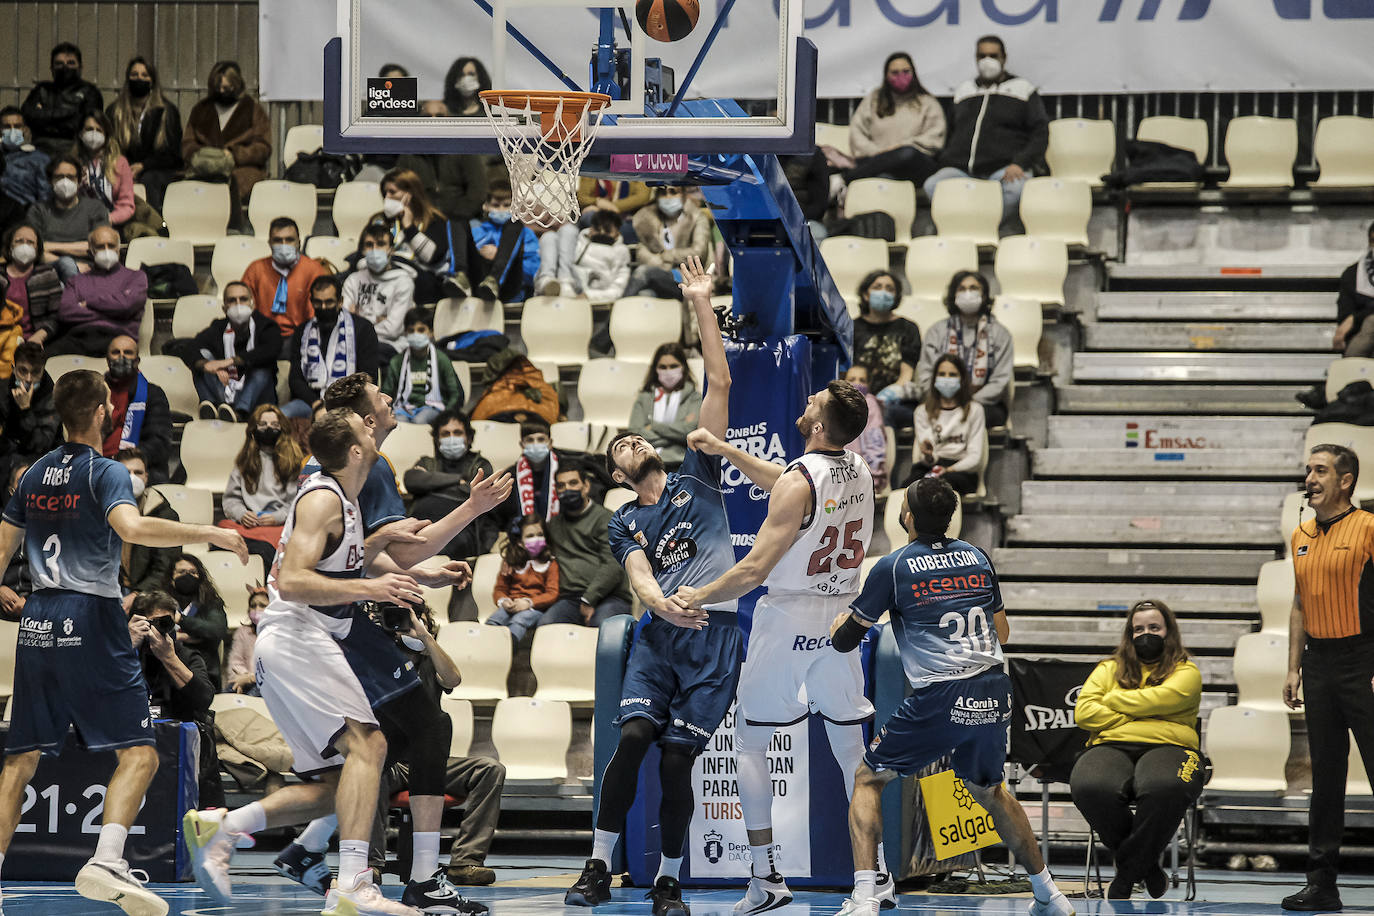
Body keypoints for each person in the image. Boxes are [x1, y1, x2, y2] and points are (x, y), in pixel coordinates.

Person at [0, 368, 246, 915]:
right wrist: (209, 532)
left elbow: (0, 558)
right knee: (138, 753)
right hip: (90, 615)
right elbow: (132, 529)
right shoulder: (105, 470)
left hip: (39, 619)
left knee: (20, 760)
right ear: (101, 412)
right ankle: (107, 860)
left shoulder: (34, 473)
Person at [182, 409, 436, 915]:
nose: (377, 428)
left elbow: (339, 559)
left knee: (340, 786)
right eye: (369, 428)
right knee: (373, 745)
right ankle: (353, 886)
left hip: (293, 643)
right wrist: (373, 586)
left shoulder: (345, 498)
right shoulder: (323, 499)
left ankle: (223, 827)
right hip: (297, 635)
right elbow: (293, 581)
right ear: (358, 451)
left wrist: (387, 547)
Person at [277, 374, 510, 911]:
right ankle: (373, 871)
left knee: (396, 740)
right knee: (390, 742)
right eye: (381, 397)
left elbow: (379, 552)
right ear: (364, 422)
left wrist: (418, 571)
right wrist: (469, 511)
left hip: (338, 618)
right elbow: (373, 558)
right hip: (331, 624)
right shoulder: (358, 469)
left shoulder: (350, 469)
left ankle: (318, 849)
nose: (389, 400)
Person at [667, 380, 876, 912]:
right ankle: (872, 883)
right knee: (852, 751)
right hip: (842, 618)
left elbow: (755, 567)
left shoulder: (799, 482)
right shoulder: (859, 469)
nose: (804, 404)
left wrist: (700, 594)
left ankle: (765, 880)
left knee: (750, 742)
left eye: (813, 405)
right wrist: (727, 450)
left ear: (822, 426)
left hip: (788, 614)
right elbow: (791, 487)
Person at [564, 257, 732, 916]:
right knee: (632, 742)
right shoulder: (625, 519)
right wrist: (664, 602)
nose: (633, 441)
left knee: (674, 764)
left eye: (638, 436)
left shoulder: (699, 476)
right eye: (621, 446)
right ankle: (598, 865)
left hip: (714, 643)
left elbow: (716, 378)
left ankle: (668, 880)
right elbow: (636, 575)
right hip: (660, 639)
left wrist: (699, 303)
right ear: (618, 473)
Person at [831, 477, 1073, 916]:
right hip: (994, 688)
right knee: (991, 790)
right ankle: (1049, 895)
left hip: (943, 693)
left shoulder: (893, 566)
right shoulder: (978, 556)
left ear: (906, 516)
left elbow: (846, 640)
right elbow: (1002, 632)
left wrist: (835, 624)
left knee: (869, 778)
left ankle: (866, 895)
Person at [1281, 443, 1374, 911]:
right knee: (1326, 780)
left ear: (1346, 480)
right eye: (1308, 470)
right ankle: (1322, 886)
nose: (1310, 478)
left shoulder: (1370, 529)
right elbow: (1298, 604)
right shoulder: (1299, 534)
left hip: (1365, 661)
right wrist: (1294, 667)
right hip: (1319, 664)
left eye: (1321, 470)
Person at [1071, 600, 1203, 900]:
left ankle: (1127, 874)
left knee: (1166, 787)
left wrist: (1115, 700)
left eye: (1154, 627)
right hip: (1110, 746)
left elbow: (1167, 697)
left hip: (1172, 746)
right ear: (1128, 635)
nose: (1146, 634)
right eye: (1138, 629)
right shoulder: (1108, 668)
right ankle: (1147, 867)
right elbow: (1084, 712)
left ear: (1169, 631)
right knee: (1090, 786)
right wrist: (1149, 712)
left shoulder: (1186, 671)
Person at [367, 603, 505, 887]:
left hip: (429, 760)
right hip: (391, 760)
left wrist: (426, 639)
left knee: (490, 770)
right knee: (372, 771)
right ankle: (371, 864)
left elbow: (453, 678)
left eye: (418, 619)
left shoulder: (432, 658)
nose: (410, 624)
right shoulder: (381, 655)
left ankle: (465, 862)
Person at [922, 36, 1049, 235]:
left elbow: (1040, 133)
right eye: (982, 56)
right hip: (962, 168)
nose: (987, 61)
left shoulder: (1023, 89)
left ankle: (982, 229)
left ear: (1004, 58)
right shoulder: (964, 90)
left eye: (993, 55)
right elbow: (951, 130)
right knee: (932, 186)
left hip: (1003, 168)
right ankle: (965, 228)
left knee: (1015, 190)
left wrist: (1020, 163)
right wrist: (947, 160)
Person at [128, 588, 221, 807]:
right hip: (134, 750)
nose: (160, 630)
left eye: (166, 623)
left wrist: (168, 658)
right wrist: (126, 647)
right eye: (153, 623)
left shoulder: (185, 655)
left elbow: (204, 698)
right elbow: (99, 694)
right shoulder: (122, 653)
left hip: (180, 755)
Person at [911, 270, 1013, 428]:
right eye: (962, 289)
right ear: (954, 295)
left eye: (973, 288)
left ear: (984, 295)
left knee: (976, 415)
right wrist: (945, 403)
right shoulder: (936, 332)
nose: (968, 293)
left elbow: (1000, 381)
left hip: (983, 404)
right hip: (939, 402)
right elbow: (925, 375)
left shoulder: (1000, 334)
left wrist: (968, 404)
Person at [834, 52, 945, 186]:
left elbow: (935, 138)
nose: (901, 76)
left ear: (914, 73)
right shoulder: (874, 100)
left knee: (906, 153)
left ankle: (845, 179)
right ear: (886, 75)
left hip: (916, 165)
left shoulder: (927, 102)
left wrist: (899, 148)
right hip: (878, 160)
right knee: (884, 176)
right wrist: (879, 153)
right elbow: (857, 132)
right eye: (895, 72)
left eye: (905, 71)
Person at [541, 464, 632, 628]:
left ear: (586, 486)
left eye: (573, 483)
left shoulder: (607, 519)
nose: (567, 489)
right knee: (546, 626)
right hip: (570, 598)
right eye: (561, 486)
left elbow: (614, 565)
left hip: (610, 596)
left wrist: (589, 599)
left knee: (602, 628)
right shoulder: (553, 525)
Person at [404, 410, 498, 561]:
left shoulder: (480, 465)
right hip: (423, 533)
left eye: (457, 432)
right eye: (445, 434)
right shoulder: (427, 462)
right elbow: (412, 480)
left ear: (468, 438)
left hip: (463, 535)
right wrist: (459, 480)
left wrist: (431, 487)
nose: (451, 438)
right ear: (437, 439)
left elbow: (476, 496)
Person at [282, 276, 381, 420]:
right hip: (310, 402)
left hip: (350, 403)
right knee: (280, 417)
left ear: (340, 302)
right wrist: (317, 405)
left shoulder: (363, 329)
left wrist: (338, 405)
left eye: (329, 302)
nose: (323, 308)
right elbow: (295, 379)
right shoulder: (302, 331)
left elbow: (368, 377)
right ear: (311, 302)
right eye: (318, 303)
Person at [220, 404, 302, 568]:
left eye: (274, 425)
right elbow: (230, 500)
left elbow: (296, 504)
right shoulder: (244, 462)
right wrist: (242, 514)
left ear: (282, 428)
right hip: (247, 523)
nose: (268, 429)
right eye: (263, 425)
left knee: (267, 551)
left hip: (277, 525)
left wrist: (277, 517)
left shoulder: (292, 462)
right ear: (254, 428)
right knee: (219, 539)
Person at [377, 166, 475, 302]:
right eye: (385, 193)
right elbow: (367, 252)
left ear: (410, 193)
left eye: (392, 192)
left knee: (397, 262)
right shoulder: (381, 222)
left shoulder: (435, 221)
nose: (387, 197)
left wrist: (409, 227)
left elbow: (431, 256)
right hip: (386, 279)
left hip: (427, 283)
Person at [190, 280, 283, 421]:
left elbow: (271, 350)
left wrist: (230, 361)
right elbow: (189, 348)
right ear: (224, 308)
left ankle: (240, 412)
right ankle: (209, 406)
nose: (238, 304)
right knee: (200, 358)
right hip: (225, 395)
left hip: (258, 400)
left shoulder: (267, 326)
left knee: (262, 370)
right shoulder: (218, 327)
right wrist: (207, 366)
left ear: (252, 304)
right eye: (232, 300)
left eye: (243, 299)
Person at [49, 226, 147, 357]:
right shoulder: (76, 281)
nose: (107, 250)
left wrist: (89, 302)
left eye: (111, 246)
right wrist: (114, 314)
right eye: (101, 246)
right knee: (46, 360)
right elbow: (65, 312)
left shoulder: (136, 277)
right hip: (80, 338)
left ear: (118, 249)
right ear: (91, 251)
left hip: (118, 339)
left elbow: (126, 305)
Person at [182, 60, 272, 199]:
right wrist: (203, 154)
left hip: (241, 169)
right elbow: (188, 142)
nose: (223, 92)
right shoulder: (201, 110)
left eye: (228, 88)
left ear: (237, 86)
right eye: (219, 89)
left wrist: (235, 154)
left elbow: (263, 147)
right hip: (205, 167)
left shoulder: (252, 109)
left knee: (233, 186)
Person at [106, 57, 183, 212]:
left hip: (158, 169)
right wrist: (126, 168)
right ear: (128, 79)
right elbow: (110, 147)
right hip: (123, 167)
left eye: (144, 75)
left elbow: (172, 154)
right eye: (134, 75)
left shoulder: (167, 112)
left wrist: (143, 166)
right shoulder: (115, 111)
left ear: (152, 80)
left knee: (149, 179)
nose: (139, 79)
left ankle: (152, 223)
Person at [852, 270, 922, 425]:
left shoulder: (908, 328)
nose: (883, 292)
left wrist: (889, 395)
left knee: (883, 414)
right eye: (877, 287)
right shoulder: (852, 328)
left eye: (890, 289)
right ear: (865, 294)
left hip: (896, 401)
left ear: (896, 296)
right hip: (858, 399)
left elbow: (907, 373)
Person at [241, 216, 329, 338]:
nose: (284, 245)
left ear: (299, 242)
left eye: (289, 240)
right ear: (269, 243)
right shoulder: (255, 269)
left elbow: (318, 312)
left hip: (302, 335)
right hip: (262, 335)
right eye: (278, 240)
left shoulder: (313, 269)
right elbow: (244, 306)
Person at [910, 353, 986, 493]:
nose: (946, 379)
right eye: (942, 374)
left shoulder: (975, 410)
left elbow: (975, 457)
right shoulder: (922, 411)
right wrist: (928, 455)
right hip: (933, 466)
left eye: (952, 375)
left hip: (960, 470)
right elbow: (929, 458)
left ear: (962, 379)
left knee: (938, 487)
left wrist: (948, 470)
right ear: (934, 378)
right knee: (908, 487)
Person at [100, 335, 172, 482]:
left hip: (138, 466)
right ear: (107, 359)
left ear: (137, 360)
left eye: (128, 352)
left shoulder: (153, 394)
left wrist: (125, 460)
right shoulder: (95, 392)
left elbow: (159, 442)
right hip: (99, 464)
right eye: (116, 352)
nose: (121, 357)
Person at [114, 447, 180, 604]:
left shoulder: (164, 515)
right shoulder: (100, 512)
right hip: (109, 591)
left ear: (146, 477)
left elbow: (165, 567)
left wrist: (138, 595)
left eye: (138, 473)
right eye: (126, 472)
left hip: (150, 594)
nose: (132, 478)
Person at [26, 156, 108, 281]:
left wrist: (48, 246)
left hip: (90, 269)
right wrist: (70, 265)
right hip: (49, 271)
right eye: (59, 177)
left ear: (79, 180)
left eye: (70, 177)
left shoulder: (95, 208)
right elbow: (33, 251)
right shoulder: (38, 210)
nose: (65, 182)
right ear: (50, 181)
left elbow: (99, 247)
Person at [625, 187, 711, 300]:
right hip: (657, 273)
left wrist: (667, 256)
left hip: (685, 277)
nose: (668, 197)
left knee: (643, 272)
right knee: (645, 294)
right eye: (663, 193)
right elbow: (642, 250)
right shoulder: (647, 219)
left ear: (683, 194)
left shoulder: (697, 218)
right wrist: (660, 264)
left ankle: (614, 311)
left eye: (673, 192)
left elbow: (697, 252)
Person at [20, 43, 104, 158]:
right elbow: (27, 115)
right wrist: (70, 113)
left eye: (71, 63)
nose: (65, 67)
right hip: (39, 150)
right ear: (51, 68)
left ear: (80, 67)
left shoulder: (90, 92)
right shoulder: (42, 89)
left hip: (75, 152)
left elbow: (81, 125)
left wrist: (44, 117)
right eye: (59, 63)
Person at [382, 308, 465, 424]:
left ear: (431, 332)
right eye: (411, 331)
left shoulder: (441, 359)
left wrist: (447, 415)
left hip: (433, 407)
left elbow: (455, 394)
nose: (416, 334)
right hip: (404, 408)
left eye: (421, 330)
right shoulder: (397, 361)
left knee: (420, 420)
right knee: (399, 422)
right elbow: (387, 393)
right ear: (405, 333)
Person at [344, 222, 416, 353]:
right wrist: (377, 320)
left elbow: (393, 329)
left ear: (391, 250)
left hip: (390, 346)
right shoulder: (353, 280)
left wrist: (359, 320)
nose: (374, 249)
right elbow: (343, 321)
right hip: (354, 343)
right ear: (363, 250)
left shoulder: (403, 282)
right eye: (369, 245)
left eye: (381, 244)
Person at [487, 514, 559, 643]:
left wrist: (528, 603)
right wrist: (504, 601)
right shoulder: (511, 563)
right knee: (496, 618)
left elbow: (552, 593)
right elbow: (500, 588)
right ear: (520, 542)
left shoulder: (550, 564)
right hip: (512, 604)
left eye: (540, 534)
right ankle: (486, 646)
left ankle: (508, 648)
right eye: (530, 536)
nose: (536, 539)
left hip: (534, 609)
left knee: (520, 619)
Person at [627, 343, 701, 469]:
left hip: (682, 465)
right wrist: (677, 436)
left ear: (683, 367)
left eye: (673, 366)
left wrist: (653, 426)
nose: (668, 371)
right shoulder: (644, 397)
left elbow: (690, 432)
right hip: (647, 464)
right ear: (655, 369)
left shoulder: (695, 398)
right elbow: (635, 435)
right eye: (663, 367)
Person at [162, 552, 230, 688]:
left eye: (193, 572)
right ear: (172, 577)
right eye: (182, 571)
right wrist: (182, 636)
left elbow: (217, 630)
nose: (187, 576)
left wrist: (181, 619)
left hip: (204, 672)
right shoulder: (161, 602)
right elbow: (151, 633)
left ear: (200, 576)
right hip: (166, 672)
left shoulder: (211, 602)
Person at [536, 208, 632, 302]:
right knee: (550, 236)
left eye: (607, 230)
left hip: (592, 287)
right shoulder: (579, 242)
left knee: (568, 229)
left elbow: (617, 289)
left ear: (617, 233)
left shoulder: (621, 251)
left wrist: (588, 295)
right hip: (570, 278)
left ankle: (563, 283)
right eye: (598, 229)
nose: (602, 233)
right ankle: (548, 280)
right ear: (591, 229)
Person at [469, 180, 539, 302]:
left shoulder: (526, 234)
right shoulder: (477, 230)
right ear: (486, 206)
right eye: (496, 205)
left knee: (515, 226)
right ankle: (489, 285)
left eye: (506, 205)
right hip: (480, 287)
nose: (501, 209)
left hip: (512, 288)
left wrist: (502, 256)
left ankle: (494, 280)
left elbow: (532, 271)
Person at [72, 111, 137, 236]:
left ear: (106, 135)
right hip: (78, 225)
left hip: (112, 225)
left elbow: (127, 205)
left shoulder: (120, 163)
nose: (94, 134)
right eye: (89, 129)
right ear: (80, 134)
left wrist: (108, 219)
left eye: (99, 130)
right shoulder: (71, 162)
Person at [2, 224, 62, 347]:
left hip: (35, 341)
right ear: (9, 247)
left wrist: (38, 337)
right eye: (19, 241)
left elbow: (57, 316)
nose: (24, 246)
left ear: (37, 249)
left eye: (30, 242)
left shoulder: (47, 274)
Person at [0, 342, 59, 462]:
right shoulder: (4, 389)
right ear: (13, 368)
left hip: (43, 458)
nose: (28, 379)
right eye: (23, 371)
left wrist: (25, 411)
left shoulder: (52, 397)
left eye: (36, 372)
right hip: (11, 452)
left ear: (43, 371)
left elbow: (42, 445)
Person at [499, 419, 561, 525]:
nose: (535, 444)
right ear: (522, 444)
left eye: (541, 439)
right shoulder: (510, 476)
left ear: (550, 443)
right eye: (530, 440)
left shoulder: (564, 471)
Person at [0, 109, 52, 233]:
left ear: (24, 129)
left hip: (25, 217)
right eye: (7, 127)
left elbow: (45, 198)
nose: (12, 131)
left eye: (17, 126)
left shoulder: (39, 159)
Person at [842, 363, 888, 493]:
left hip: (864, 477)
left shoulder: (870, 405)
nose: (857, 383)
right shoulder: (836, 404)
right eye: (852, 379)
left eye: (862, 380)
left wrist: (872, 476)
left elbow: (876, 445)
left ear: (869, 384)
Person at [1333, 221, 1374, 357]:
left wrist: (1356, 318)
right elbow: (1344, 318)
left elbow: (1350, 320)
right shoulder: (1354, 274)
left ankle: (1348, 371)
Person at [224, 586, 268, 693]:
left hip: (267, 685)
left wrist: (251, 678)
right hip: (244, 679)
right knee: (229, 692)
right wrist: (243, 679)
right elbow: (235, 661)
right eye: (253, 606)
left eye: (262, 605)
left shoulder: (279, 634)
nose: (257, 609)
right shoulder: (243, 632)